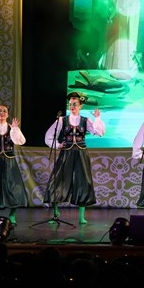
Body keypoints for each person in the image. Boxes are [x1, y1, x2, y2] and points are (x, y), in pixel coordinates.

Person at [44, 91, 105, 224]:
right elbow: (49, 136)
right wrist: (58, 145)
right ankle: (55, 212)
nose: (72, 106)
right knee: (58, 179)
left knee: (83, 181)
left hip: (81, 153)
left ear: (80, 106)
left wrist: (97, 118)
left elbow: (99, 132)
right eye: (70, 104)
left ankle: (81, 216)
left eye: (75, 104)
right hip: (66, 152)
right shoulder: (62, 120)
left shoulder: (85, 120)